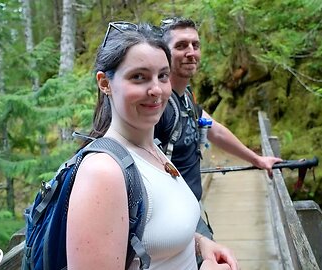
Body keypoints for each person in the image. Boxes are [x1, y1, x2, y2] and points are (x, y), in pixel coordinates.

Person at [66, 21, 238, 270]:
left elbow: (153, 234)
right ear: (105, 83)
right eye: (139, 77)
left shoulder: (151, 149)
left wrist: (200, 244)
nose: (156, 90)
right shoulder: (103, 173)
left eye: (163, 76)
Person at [154, 17, 283, 239]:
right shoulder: (159, 106)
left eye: (195, 45)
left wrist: (257, 160)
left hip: (191, 213)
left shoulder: (185, 97)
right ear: (164, 53)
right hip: (170, 224)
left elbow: (215, 129)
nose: (191, 52)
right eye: (181, 45)